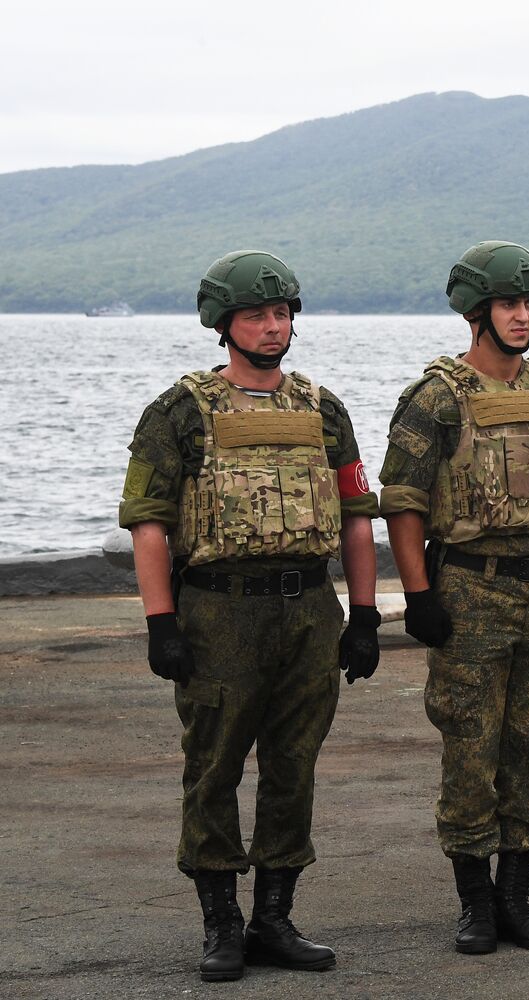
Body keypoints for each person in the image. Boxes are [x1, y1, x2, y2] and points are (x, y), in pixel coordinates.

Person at [119, 250, 381, 981]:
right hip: (219, 613)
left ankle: (274, 917)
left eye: (282, 313)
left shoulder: (322, 409)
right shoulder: (179, 411)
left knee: (293, 767)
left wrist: (365, 616)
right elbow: (148, 523)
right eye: (256, 316)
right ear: (223, 324)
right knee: (214, 767)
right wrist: (160, 622)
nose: (273, 327)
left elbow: (358, 516)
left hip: (308, 608)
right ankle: (221, 923)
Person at [379, 241, 529, 954]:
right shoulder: (437, 397)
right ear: (477, 313)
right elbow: (404, 503)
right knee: (470, 746)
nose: (522, 316)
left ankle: (517, 898)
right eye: (509, 304)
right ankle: (475, 903)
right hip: (471, 586)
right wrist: (418, 594)